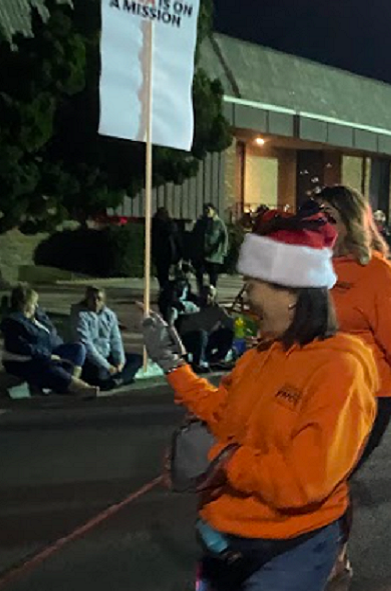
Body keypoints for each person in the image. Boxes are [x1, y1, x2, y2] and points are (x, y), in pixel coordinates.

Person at [142, 210, 378, 591]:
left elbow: (303, 481)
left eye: (252, 285)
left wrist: (222, 460)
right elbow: (222, 412)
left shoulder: (340, 368)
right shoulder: (260, 356)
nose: (247, 298)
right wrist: (174, 366)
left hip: (289, 548)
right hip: (224, 538)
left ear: (292, 294)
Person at [314, 186, 391, 457]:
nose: (320, 226)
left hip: (365, 394)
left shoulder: (377, 274)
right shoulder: (306, 269)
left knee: (325, 474)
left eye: (330, 218)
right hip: (312, 389)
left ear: (351, 222)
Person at [0, 285, 97, 397]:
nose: (36, 306)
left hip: (50, 351)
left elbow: (52, 334)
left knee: (78, 349)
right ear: (23, 304)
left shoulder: (38, 316)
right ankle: (79, 387)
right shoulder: (13, 322)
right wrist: (47, 356)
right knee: (49, 367)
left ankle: (70, 383)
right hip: (26, 361)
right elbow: (21, 347)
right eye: (33, 303)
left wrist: (55, 352)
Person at [69, 286, 142, 390]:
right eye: (92, 299)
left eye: (99, 299)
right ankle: (119, 379)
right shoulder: (79, 315)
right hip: (90, 359)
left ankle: (116, 381)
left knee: (136, 359)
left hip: (106, 354)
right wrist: (106, 366)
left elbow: (115, 339)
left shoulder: (109, 315)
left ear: (103, 300)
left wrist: (120, 361)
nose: (95, 302)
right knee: (94, 372)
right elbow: (86, 344)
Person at [176, 285, 236, 372]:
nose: (207, 297)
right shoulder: (192, 306)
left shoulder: (217, 309)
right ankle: (198, 362)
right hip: (190, 340)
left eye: (210, 295)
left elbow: (230, 324)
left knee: (227, 333)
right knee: (200, 334)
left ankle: (216, 359)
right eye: (204, 294)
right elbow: (183, 328)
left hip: (206, 339)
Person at [194, 203, 229, 295]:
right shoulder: (201, 222)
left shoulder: (219, 223)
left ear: (214, 211)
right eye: (205, 210)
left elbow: (225, 238)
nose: (207, 212)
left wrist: (223, 251)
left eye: (209, 210)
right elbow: (195, 236)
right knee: (199, 272)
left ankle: (212, 292)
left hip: (215, 254)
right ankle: (201, 291)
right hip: (202, 253)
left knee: (213, 275)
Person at [152, 207, 183, 294]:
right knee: (166, 272)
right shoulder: (170, 225)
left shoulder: (156, 225)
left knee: (162, 272)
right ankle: (169, 289)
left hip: (162, 252)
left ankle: (164, 288)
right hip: (169, 252)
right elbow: (177, 239)